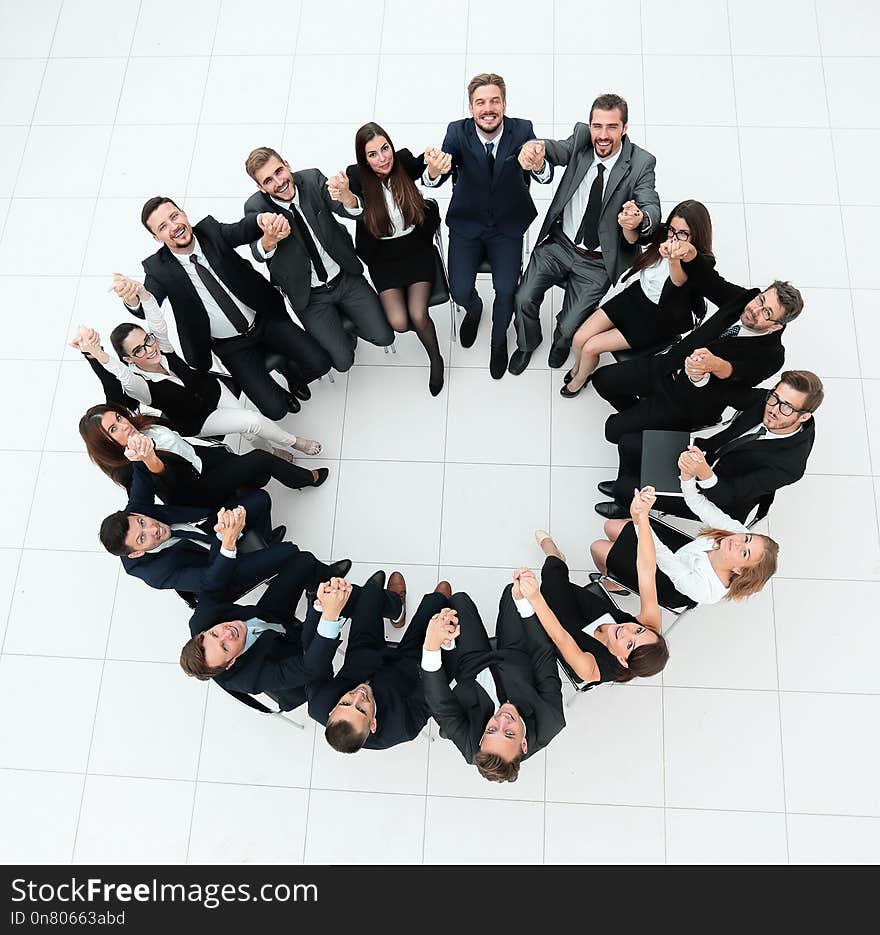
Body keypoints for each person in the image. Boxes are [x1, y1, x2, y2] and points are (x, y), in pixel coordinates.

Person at [117, 197, 332, 420]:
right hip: (231, 345)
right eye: (163, 227)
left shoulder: (210, 231)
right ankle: (279, 392)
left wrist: (261, 219)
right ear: (156, 237)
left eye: (174, 216)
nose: (174, 227)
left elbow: (242, 229)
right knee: (275, 411)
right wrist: (133, 298)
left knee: (321, 363)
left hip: (263, 319)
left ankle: (290, 372)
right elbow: (146, 306)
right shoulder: (157, 268)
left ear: (183, 213)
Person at [73, 277, 323, 460]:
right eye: (138, 350)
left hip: (214, 391)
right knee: (252, 421)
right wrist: (97, 353)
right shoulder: (141, 387)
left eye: (146, 340)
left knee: (245, 426)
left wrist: (143, 294)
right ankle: (294, 443)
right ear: (129, 359)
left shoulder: (162, 348)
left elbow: (157, 323)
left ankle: (271, 451)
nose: (149, 349)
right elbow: (123, 378)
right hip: (199, 419)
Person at [508, 92, 661, 375]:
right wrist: (534, 147)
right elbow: (554, 149)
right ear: (590, 125)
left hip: (598, 261)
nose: (602, 135)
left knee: (570, 325)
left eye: (612, 127)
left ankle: (560, 342)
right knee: (523, 297)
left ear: (624, 128)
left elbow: (650, 202)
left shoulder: (641, 163)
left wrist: (640, 218)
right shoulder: (581, 139)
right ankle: (528, 343)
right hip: (559, 245)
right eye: (597, 126)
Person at [592, 244, 805, 444]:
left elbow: (737, 373)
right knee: (601, 380)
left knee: (613, 431)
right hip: (667, 366)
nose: (754, 310)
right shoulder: (744, 300)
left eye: (767, 313)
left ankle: (650, 422)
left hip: (689, 401)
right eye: (761, 300)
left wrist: (716, 365)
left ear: (776, 326)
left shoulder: (772, 355)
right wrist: (690, 254)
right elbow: (710, 281)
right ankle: (639, 411)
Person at [421, 73, 540, 378]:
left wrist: (538, 165)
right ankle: (473, 309)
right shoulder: (456, 132)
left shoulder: (522, 129)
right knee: (458, 291)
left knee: (506, 290)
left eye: (494, 101)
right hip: (467, 224)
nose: (488, 108)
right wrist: (433, 172)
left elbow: (540, 170)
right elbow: (439, 173)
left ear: (504, 103)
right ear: (471, 107)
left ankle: (498, 341)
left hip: (507, 227)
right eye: (481, 102)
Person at [243, 146, 394, 373]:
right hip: (310, 296)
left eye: (279, 171)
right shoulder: (256, 208)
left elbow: (353, 211)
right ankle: (342, 332)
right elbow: (256, 253)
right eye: (268, 180)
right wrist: (269, 240)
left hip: (344, 277)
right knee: (342, 363)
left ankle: (349, 319)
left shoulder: (312, 179)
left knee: (385, 337)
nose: (279, 182)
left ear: (287, 164)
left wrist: (348, 198)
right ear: (260, 187)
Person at [596, 371, 823, 521]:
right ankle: (629, 488)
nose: (773, 409)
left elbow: (730, 496)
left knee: (627, 488)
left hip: (720, 495)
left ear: (803, 417)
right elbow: (723, 393)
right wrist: (700, 376)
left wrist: (703, 473)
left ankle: (626, 499)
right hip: (706, 453)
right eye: (774, 398)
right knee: (628, 442)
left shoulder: (790, 465)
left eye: (787, 408)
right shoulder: (767, 401)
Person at [99, 466, 351, 600]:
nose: (152, 528)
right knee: (291, 552)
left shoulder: (134, 516)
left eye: (142, 521)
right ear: (135, 553)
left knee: (259, 499)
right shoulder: (156, 573)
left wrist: (137, 453)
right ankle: (319, 581)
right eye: (142, 538)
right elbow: (212, 581)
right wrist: (228, 543)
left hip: (211, 532)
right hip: (222, 571)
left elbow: (140, 476)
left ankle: (262, 541)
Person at [179, 559, 401, 712]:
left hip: (270, 618)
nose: (227, 632)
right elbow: (310, 667)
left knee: (301, 563)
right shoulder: (250, 677)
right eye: (225, 647)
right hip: (298, 657)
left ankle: (324, 582)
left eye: (215, 633)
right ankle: (388, 604)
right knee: (329, 609)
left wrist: (227, 542)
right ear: (231, 663)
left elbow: (213, 584)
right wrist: (327, 613)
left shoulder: (201, 620)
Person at [326, 123, 446, 396]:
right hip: (383, 258)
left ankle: (435, 358)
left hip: (415, 250)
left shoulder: (402, 160)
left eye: (385, 148)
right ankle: (423, 331)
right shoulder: (356, 176)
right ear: (363, 158)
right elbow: (353, 210)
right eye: (373, 154)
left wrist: (434, 170)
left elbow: (427, 175)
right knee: (400, 323)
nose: (383, 158)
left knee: (418, 314)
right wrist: (346, 196)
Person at [420, 575, 566, 783]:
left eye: (491, 729)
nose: (502, 719)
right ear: (523, 744)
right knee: (512, 593)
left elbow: (439, 704)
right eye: (509, 733)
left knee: (459, 601)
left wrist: (433, 645)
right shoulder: (551, 719)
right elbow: (543, 655)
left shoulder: (472, 746)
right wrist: (524, 603)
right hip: (515, 655)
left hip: (473, 665)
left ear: (481, 738)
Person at [561, 200, 713, 397]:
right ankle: (579, 368)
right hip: (636, 297)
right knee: (580, 337)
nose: (674, 238)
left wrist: (674, 259)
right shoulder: (663, 235)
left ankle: (580, 378)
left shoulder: (704, 261)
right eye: (671, 230)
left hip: (658, 318)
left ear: (696, 235)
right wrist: (630, 222)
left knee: (591, 348)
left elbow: (678, 281)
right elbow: (632, 239)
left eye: (682, 234)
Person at [528, 492, 669, 684]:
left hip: (570, 634)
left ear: (622, 660)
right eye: (638, 631)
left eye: (629, 644)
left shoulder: (592, 670)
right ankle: (555, 557)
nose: (626, 630)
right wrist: (642, 518)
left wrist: (535, 598)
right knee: (558, 582)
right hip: (595, 612)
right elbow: (646, 570)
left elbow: (560, 637)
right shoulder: (650, 627)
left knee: (549, 586)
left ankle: (553, 560)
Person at [304, 571, 450, 752]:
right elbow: (435, 693)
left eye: (345, 703)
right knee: (438, 602)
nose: (358, 695)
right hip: (411, 668)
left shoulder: (318, 703)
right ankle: (436, 601)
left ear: (331, 711)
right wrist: (438, 646)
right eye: (362, 709)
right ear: (373, 724)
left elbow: (314, 661)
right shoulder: (403, 727)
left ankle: (396, 608)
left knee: (370, 593)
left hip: (363, 655)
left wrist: (326, 611)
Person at [79, 403, 327, 508]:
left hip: (197, 458)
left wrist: (95, 355)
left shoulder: (141, 424)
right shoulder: (128, 468)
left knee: (251, 471)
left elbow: (113, 387)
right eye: (113, 429)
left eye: (119, 418)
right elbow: (168, 491)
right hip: (193, 488)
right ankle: (304, 479)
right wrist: (149, 461)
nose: (124, 426)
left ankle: (249, 489)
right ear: (107, 443)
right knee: (260, 458)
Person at [592, 471, 779, 607]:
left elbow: (661, 556)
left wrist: (640, 518)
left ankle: (614, 582)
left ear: (739, 569)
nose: (737, 542)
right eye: (747, 538)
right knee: (610, 526)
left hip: (666, 580)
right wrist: (687, 476)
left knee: (598, 547)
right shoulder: (736, 534)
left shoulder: (707, 590)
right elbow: (700, 504)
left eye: (744, 552)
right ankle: (616, 568)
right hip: (680, 551)